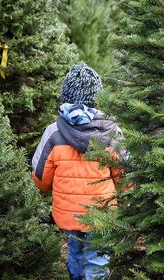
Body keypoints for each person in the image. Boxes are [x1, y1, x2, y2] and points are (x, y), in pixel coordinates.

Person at [31, 63, 123, 280]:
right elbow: (125, 171)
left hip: (68, 211)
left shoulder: (53, 132)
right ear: (97, 97)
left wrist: (45, 187)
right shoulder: (111, 130)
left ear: (66, 95)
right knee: (97, 257)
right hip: (101, 211)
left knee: (74, 250)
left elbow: (40, 176)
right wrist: (126, 194)